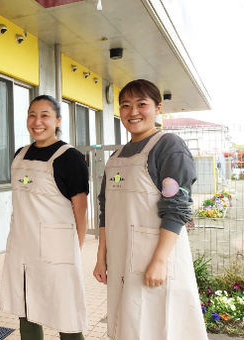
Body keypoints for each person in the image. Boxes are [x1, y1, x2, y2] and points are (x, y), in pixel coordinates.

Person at [92, 79, 208, 340]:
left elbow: (177, 206)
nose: (133, 112)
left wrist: (159, 260)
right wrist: (101, 256)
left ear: (158, 108)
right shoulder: (116, 157)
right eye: (125, 105)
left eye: (141, 104)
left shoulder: (168, 147)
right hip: (123, 260)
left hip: (157, 260)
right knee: (131, 327)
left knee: (161, 328)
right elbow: (105, 208)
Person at [0, 95, 88, 340]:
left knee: (66, 313)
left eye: (44, 115)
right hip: (22, 247)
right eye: (32, 115)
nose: (37, 122)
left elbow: (80, 210)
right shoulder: (19, 155)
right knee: (26, 310)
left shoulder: (70, 158)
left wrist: (75, 251)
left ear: (58, 120)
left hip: (57, 251)